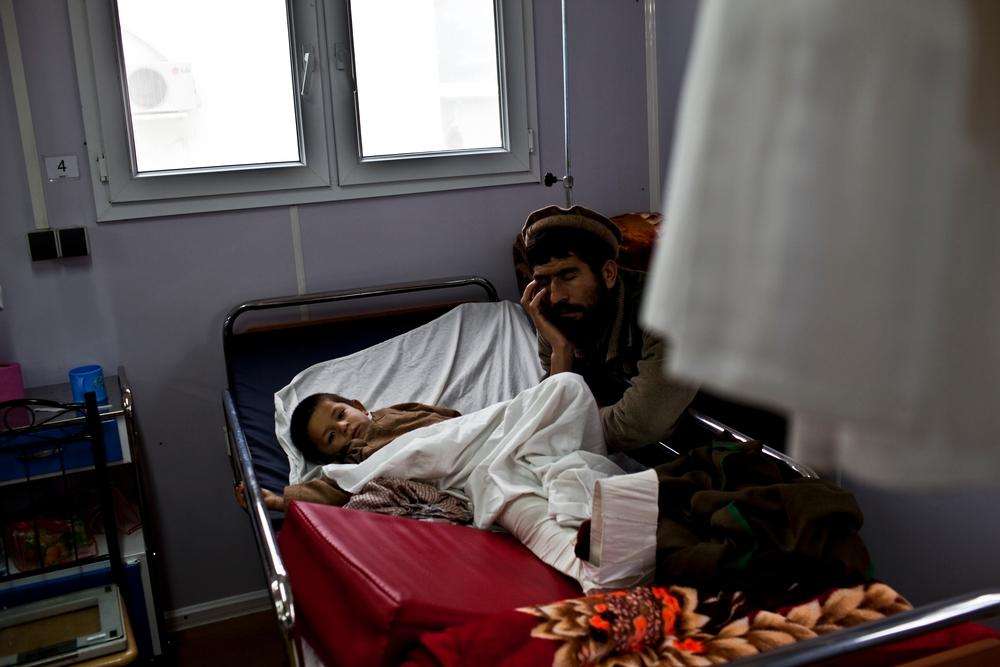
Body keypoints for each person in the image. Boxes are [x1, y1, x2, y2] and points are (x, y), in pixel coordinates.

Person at [519, 204, 697, 450]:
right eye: (544, 280)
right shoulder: (555, 308)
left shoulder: (667, 311)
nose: (556, 295)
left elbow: (634, 426)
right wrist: (561, 350)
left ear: (609, 273)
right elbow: (557, 398)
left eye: (569, 276)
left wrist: (565, 420)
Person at [235, 393, 459, 511]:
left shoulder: (397, 412)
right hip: (447, 471)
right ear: (331, 456)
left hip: (462, 440)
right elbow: (335, 488)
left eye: (340, 415)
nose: (343, 427)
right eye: (331, 437)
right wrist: (277, 501)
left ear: (359, 406)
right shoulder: (354, 463)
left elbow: (443, 416)